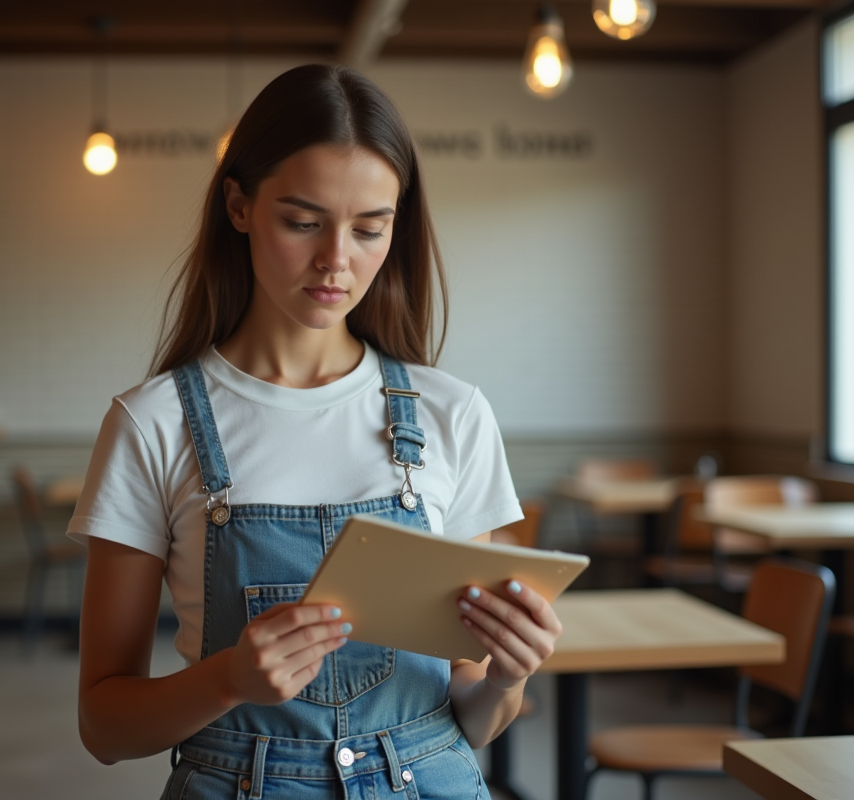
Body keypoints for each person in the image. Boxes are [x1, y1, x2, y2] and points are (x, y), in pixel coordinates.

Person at [69, 63, 563, 800]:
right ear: (238, 205)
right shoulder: (153, 423)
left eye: (371, 228)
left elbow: (476, 714)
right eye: (303, 222)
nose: (337, 260)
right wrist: (229, 679)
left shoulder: (451, 414)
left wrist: (509, 676)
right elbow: (105, 727)